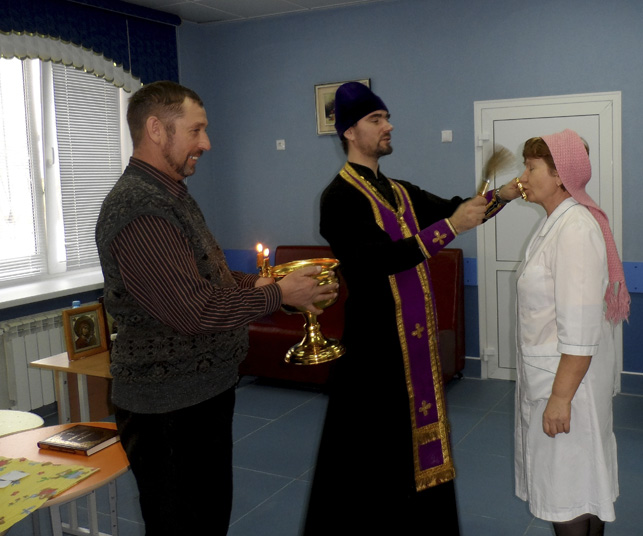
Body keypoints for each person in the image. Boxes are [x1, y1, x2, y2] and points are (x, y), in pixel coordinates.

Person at [95, 80, 337, 535]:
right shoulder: (139, 208)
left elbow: (210, 279)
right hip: (169, 411)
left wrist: (265, 282)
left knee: (208, 520)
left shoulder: (171, 195)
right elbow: (194, 310)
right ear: (156, 130)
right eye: (196, 130)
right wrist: (279, 295)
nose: (206, 143)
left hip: (200, 396)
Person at [303, 82, 521, 534]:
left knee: (415, 450)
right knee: (374, 457)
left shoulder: (399, 192)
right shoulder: (338, 198)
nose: (388, 125)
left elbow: (459, 210)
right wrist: (447, 229)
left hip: (413, 347)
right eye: (376, 119)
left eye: (386, 117)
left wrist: (510, 191)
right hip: (373, 350)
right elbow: (375, 260)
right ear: (349, 132)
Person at [513, 129, 629, 536]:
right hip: (559, 377)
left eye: (531, 168)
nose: (522, 177)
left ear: (559, 175)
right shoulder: (558, 223)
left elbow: (579, 329)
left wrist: (560, 400)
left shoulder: (575, 229)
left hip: (566, 386)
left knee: (568, 491)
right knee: (582, 485)